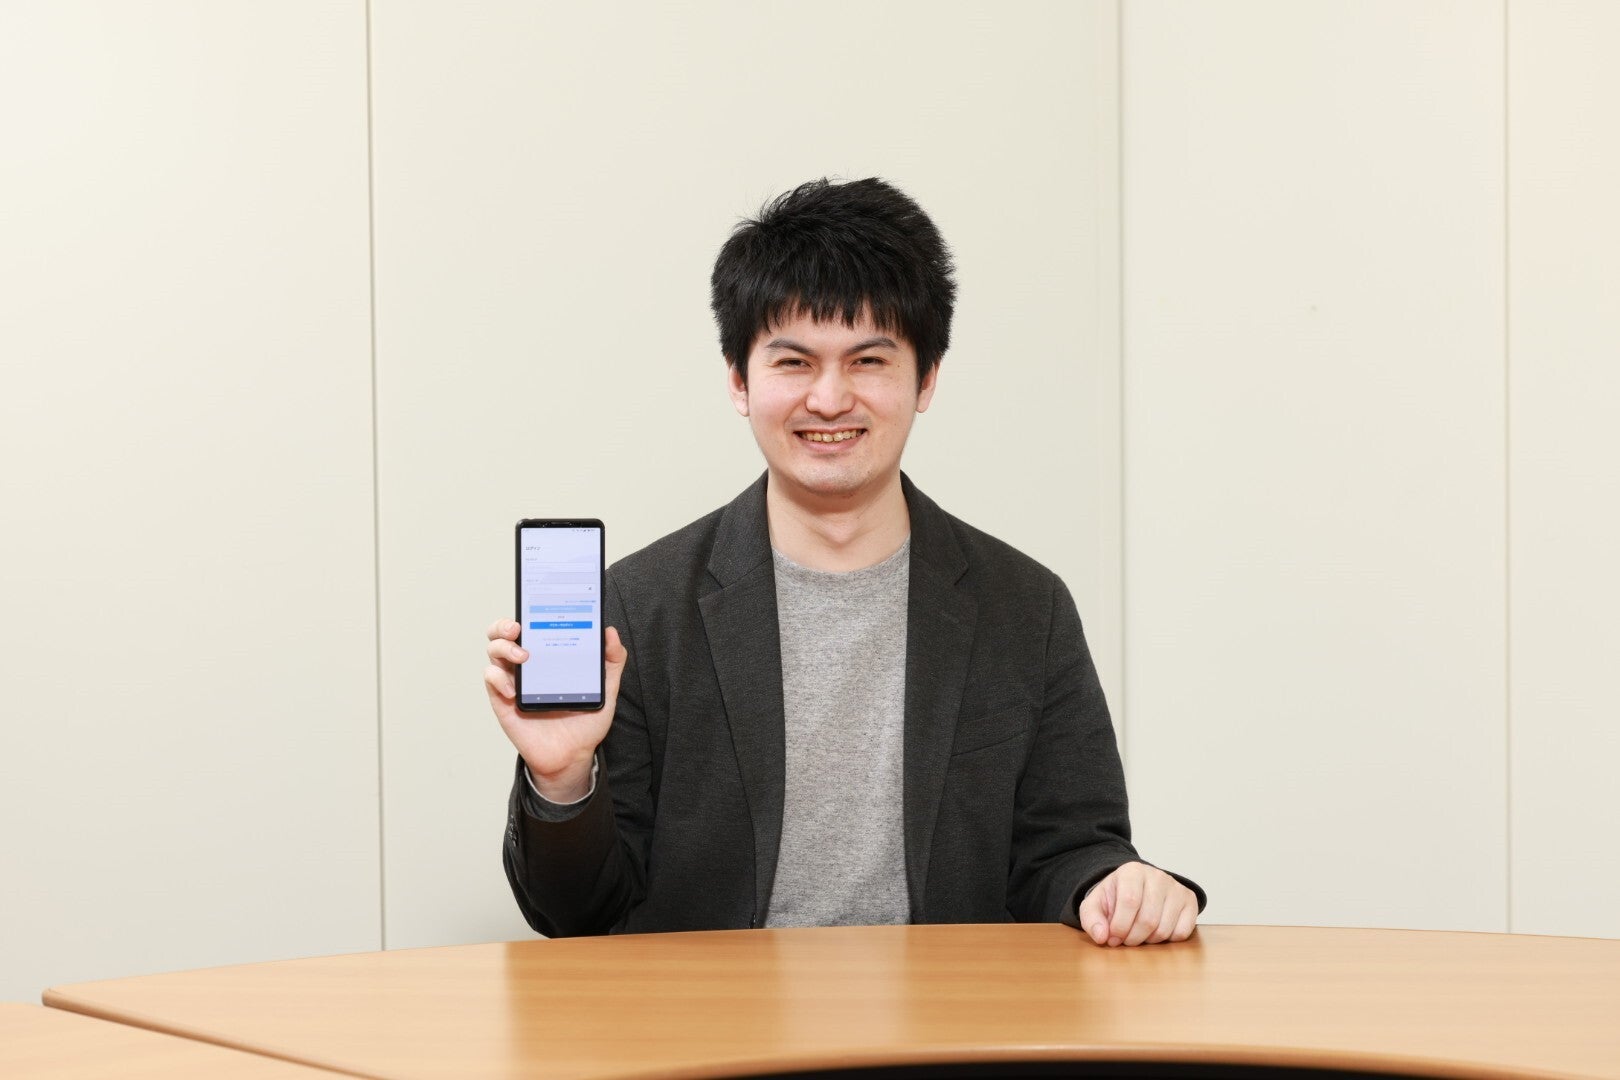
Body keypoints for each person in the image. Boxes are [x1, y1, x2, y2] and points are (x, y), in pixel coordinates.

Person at [486, 177, 1205, 946]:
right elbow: (578, 916)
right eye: (794, 363)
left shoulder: (1026, 607)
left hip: (944, 1015)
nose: (829, 400)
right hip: (714, 1016)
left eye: (868, 361)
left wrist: (1115, 884)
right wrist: (563, 780)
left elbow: (1069, 850)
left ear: (926, 378)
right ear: (739, 380)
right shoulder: (638, 606)